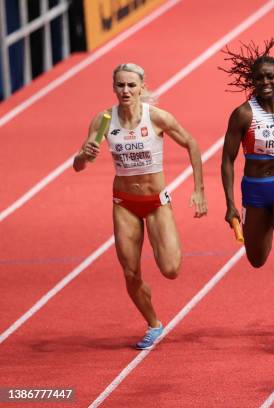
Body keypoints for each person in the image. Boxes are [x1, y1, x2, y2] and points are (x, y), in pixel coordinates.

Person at [73, 63, 207, 349]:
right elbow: (80, 165)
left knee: (171, 269)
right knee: (130, 271)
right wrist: (84, 156)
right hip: (124, 203)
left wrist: (199, 190)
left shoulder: (156, 117)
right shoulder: (104, 121)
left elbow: (192, 144)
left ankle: (155, 318)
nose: (126, 90)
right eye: (120, 85)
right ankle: (154, 324)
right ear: (114, 88)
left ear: (141, 87)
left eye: (131, 85)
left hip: (156, 202)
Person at [220, 39, 274, 353]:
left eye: (270, 77)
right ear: (251, 82)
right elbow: (227, 159)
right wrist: (230, 205)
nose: (265, 83)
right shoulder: (242, 114)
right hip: (255, 191)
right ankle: (269, 224)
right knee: (257, 259)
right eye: (259, 79)